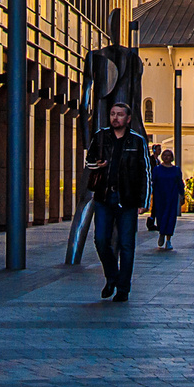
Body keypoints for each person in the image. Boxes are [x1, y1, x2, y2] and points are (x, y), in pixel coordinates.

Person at [83, 100, 150, 300]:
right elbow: (88, 161)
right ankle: (112, 276)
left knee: (127, 245)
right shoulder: (101, 137)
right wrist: (98, 164)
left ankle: (123, 288)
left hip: (127, 199)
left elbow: (145, 171)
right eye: (113, 113)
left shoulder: (136, 142)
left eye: (119, 114)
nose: (115, 117)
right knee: (101, 240)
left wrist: (143, 201)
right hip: (104, 197)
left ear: (128, 119)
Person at [149, 147, 184, 251]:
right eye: (164, 155)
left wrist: (182, 195)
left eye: (169, 155)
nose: (166, 157)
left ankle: (168, 239)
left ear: (172, 157)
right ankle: (161, 233)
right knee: (160, 216)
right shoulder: (157, 169)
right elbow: (153, 182)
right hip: (159, 197)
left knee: (171, 217)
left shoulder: (176, 170)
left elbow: (180, 183)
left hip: (172, 196)